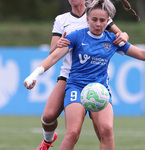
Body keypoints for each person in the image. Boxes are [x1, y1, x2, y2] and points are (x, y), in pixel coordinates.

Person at [24, 0, 145, 149]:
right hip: (76, 87)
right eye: (94, 20)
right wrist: (34, 75)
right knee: (71, 133)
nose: (98, 23)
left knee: (107, 130)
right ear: (87, 19)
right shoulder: (75, 35)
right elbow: (53, 56)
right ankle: (47, 141)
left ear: (108, 21)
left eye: (102, 20)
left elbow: (141, 53)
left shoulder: (112, 40)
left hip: (100, 90)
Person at [34, 0, 129, 149]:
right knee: (48, 116)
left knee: (104, 130)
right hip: (70, 76)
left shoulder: (97, 13)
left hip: (96, 79)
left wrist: (125, 35)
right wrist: (58, 45)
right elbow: (52, 53)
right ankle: (47, 141)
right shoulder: (61, 19)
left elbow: (120, 36)